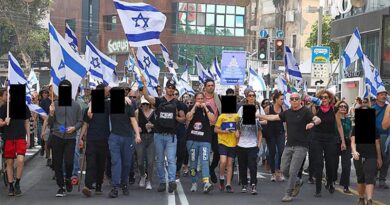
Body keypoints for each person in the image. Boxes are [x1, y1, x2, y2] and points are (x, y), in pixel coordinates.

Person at [258, 92, 321, 202]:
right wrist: (259, 116)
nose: (295, 100)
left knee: (293, 171)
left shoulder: (306, 111)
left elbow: (318, 119)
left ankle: (288, 193)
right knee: (283, 169)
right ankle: (297, 181)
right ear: (290, 101)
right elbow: (273, 117)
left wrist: (312, 123)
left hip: (301, 146)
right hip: (289, 145)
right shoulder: (287, 113)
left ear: (300, 100)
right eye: (292, 99)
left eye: (297, 98)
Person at [141, 77, 186, 193]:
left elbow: (183, 119)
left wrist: (176, 116)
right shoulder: (159, 100)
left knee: (171, 159)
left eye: (172, 88)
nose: (170, 90)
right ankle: (162, 181)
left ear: (174, 89)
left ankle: (171, 182)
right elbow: (146, 97)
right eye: (169, 87)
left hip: (171, 136)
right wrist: (144, 84)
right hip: (158, 135)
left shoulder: (178, 103)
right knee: (160, 160)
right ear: (165, 88)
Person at [48, 80, 84, 197]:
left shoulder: (76, 105)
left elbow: (80, 121)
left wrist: (74, 128)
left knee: (69, 162)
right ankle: (61, 186)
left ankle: (68, 178)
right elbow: (51, 123)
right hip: (57, 137)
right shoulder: (55, 105)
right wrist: (51, 113)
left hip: (70, 138)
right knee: (57, 163)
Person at [310, 90, 345, 197]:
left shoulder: (334, 110)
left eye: (325, 97)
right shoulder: (315, 108)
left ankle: (330, 182)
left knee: (330, 164)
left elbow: (339, 126)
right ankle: (318, 189)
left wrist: (343, 141)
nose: (323, 99)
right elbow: (312, 117)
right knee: (319, 163)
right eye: (321, 97)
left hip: (330, 139)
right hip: (317, 138)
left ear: (330, 99)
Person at [107, 87, 141, 198]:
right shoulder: (110, 104)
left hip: (127, 138)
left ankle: (124, 183)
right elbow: (95, 101)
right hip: (114, 137)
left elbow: (133, 121)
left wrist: (137, 134)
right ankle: (115, 187)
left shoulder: (128, 106)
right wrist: (90, 108)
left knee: (127, 163)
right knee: (116, 162)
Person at [80, 84, 110, 197]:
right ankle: (87, 186)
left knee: (101, 163)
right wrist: (81, 137)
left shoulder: (107, 104)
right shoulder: (89, 108)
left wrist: (125, 98)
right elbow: (85, 123)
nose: (108, 92)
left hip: (104, 139)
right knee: (91, 163)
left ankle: (98, 185)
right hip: (92, 139)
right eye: (106, 90)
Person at [0, 90, 30, 196]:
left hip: (21, 137)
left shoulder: (24, 107)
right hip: (9, 137)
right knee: (9, 162)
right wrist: (4, 122)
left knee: (21, 160)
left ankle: (17, 182)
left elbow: (26, 122)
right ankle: (11, 185)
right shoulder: (5, 107)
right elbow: (0, 123)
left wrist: (29, 138)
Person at [351, 105, 383, 205]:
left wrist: (379, 158)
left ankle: (369, 200)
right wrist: (354, 151)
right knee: (361, 178)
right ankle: (361, 198)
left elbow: (377, 143)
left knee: (370, 178)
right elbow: (353, 142)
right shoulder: (356, 127)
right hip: (359, 155)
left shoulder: (373, 128)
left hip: (371, 155)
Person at [186, 92, 215, 193]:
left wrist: (206, 109)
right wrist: (194, 107)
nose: (200, 100)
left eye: (202, 98)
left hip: (205, 140)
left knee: (205, 161)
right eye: (198, 99)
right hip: (192, 140)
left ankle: (206, 182)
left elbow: (213, 119)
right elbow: (188, 118)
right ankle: (194, 182)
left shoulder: (208, 108)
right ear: (195, 99)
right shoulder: (191, 107)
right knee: (193, 163)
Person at [236, 91, 263, 194]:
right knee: (242, 166)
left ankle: (253, 185)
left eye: (253, 96)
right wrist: (237, 134)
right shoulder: (240, 121)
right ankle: (244, 184)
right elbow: (236, 129)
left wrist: (258, 144)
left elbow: (260, 133)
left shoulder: (256, 121)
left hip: (252, 145)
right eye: (250, 96)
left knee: (252, 166)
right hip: (241, 145)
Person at [214, 108, 240, 193]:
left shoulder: (236, 116)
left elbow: (239, 127)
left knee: (230, 164)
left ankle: (228, 184)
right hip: (223, 142)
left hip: (233, 143)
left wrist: (237, 132)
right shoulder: (222, 116)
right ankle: (221, 178)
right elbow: (215, 129)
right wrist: (225, 131)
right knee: (223, 161)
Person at [264, 91, 286, 182]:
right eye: (281, 99)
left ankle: (279, 171)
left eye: (283, 99)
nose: (283, 101)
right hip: (270, 133)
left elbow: (286, 121)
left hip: (280, 133)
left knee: (281, 152)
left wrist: (287, 132)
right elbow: (264, 119)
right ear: (276, 99)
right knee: (272, 153)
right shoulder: (268, 108)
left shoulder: (283, 108)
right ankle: (273, 173)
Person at [134, 96, 156, 190]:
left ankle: (149, 181)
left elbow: (159, 125)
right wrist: (137, 130)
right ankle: (142, 175)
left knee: (150, 162)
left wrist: (152, 126)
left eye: (147, 104)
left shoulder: (154, 113)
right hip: (141, 137)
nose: (145, 106)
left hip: (152, 138)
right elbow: (134, 123)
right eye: (143, 104)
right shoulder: (137, 112)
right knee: (139, 161)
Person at [203, 79, 222, 184]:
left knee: (218, 152)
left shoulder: (218, 98)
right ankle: (205, 176)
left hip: (215, 127)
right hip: (204, 128)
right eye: (209, 85)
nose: (211, 87)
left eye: (212, 85)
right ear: (205, 87)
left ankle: (212, 168)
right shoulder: (201, 98)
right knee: (205, 152)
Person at [373, 87, 389, 189]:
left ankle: (382, 179)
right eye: (381, 94)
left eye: (385, 94)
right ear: (377, 96)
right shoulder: (371, 108)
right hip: (374, 136)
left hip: (386, 135)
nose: (384, 96)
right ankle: (373, 177)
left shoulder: (389, 107)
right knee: (373, 158)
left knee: (386, 159)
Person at [335, 101, 353, 193]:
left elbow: (350, 134)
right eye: (341, 106)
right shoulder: (334, 118)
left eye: (345, 107)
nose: (343, 108)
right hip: (335, 142)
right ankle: (331, 180)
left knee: (347, 165)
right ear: (337, 107)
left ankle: (345, 185)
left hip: (346, 143)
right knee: (333, 164)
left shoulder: (349, 120)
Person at [174, 88, 189, 181]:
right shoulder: (166, 104)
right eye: (173, 94)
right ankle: (173, 172)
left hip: (181, 131)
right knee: (172, 154)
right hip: (170, 131)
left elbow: (186, 118)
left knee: (181, 152)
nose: (174, 96)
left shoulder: (182, 105)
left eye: (176, 94)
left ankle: (177, 170)